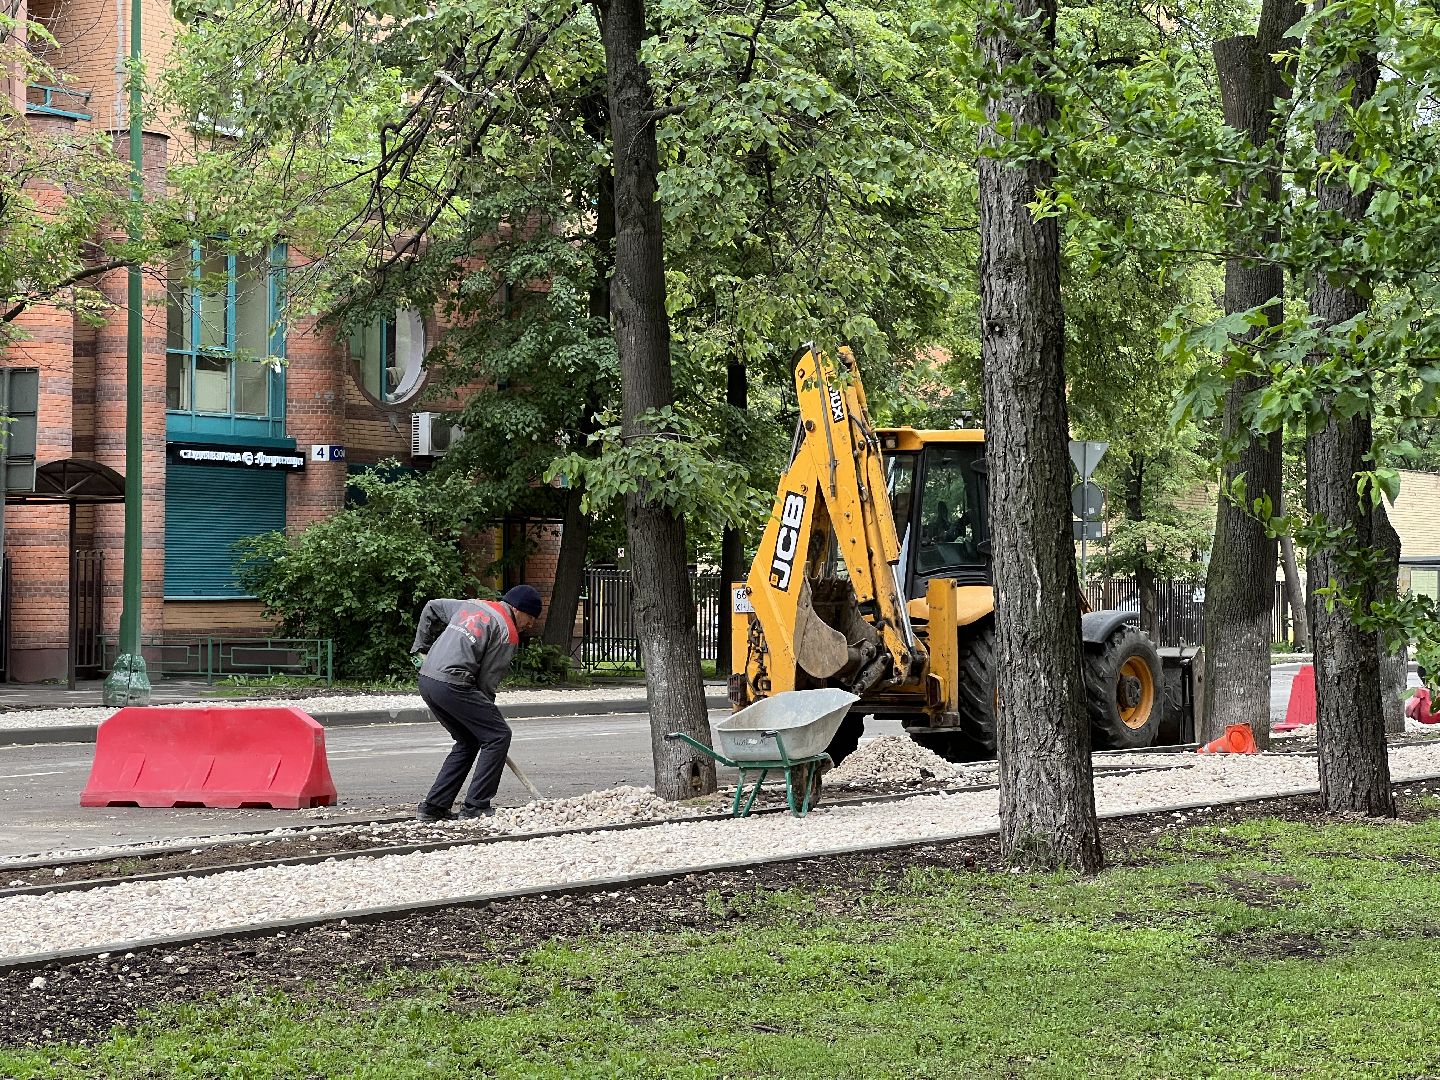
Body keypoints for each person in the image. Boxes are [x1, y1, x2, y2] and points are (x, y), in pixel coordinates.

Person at [410, 584, 544, 821]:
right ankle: (476, 806)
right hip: (453, 684)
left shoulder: (472, 605)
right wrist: (488, 718)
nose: (531, 624)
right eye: (530, 617)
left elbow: (431, 607)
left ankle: (434, 807)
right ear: (517, 609)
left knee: (468, 740)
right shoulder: (506, 632)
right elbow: (486, 683)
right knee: (498, 735)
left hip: (428, 679)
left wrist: (420, 648)